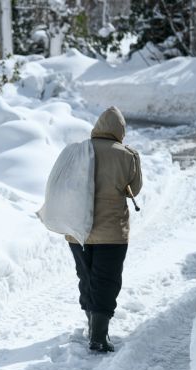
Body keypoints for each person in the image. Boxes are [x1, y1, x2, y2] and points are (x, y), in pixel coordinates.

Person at [66, 106, 142, 352]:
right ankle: (98, 336)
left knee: (86, 276)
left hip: (78, 228)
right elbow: (135, 188)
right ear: (120, 131)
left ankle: (92, 326)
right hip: (111, 232)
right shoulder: (127, 155)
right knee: (106, 280)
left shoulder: (80, 150)